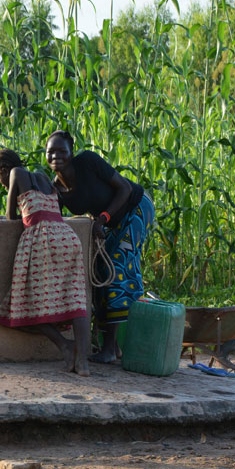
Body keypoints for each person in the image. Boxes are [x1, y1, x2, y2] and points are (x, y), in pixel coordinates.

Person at [45, 130, 155, 364]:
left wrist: (102, 219)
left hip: (135, 208)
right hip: (109, 224)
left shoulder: (88, 162)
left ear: (72, 152)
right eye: (50, 152)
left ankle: (109, 349)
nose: (56, 156)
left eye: (61, 151)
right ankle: (113, 347)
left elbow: (124, 188)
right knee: (101, 276)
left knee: (116, 270)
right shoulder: (58, 190)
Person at [0, 149, 91, 376]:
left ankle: (65, 345)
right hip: (67, 237)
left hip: (43, 239)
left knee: (27, 304)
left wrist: (15, 198)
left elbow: (10, 216)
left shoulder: (16, 173)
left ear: (5, 170)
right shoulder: (44, 177)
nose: (2, 185)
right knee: (75, 301)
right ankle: (82, 362)